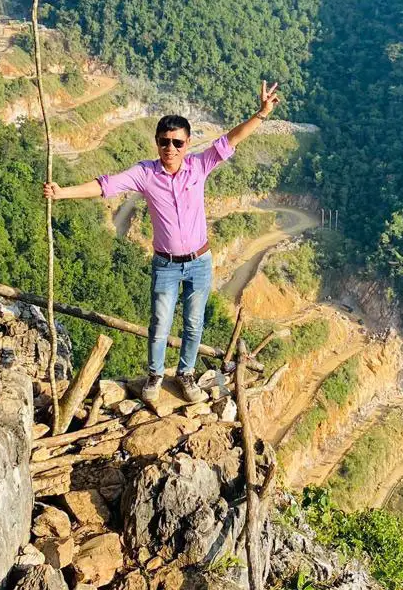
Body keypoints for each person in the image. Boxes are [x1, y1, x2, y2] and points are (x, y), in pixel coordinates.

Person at [44, 81, 281, 406]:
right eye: (164, 142)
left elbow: (231, 139)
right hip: (166, 263)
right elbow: (105, 186)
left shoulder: (199, 165)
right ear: (157, 143)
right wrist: (62, 192)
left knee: (194, 322)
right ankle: (155, 375)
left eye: (177, 142)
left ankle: (185, 374)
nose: (170, 147)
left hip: (199, 261)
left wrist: (262, 114)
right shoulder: (145, 174)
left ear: (187, 143)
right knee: (160, 322)